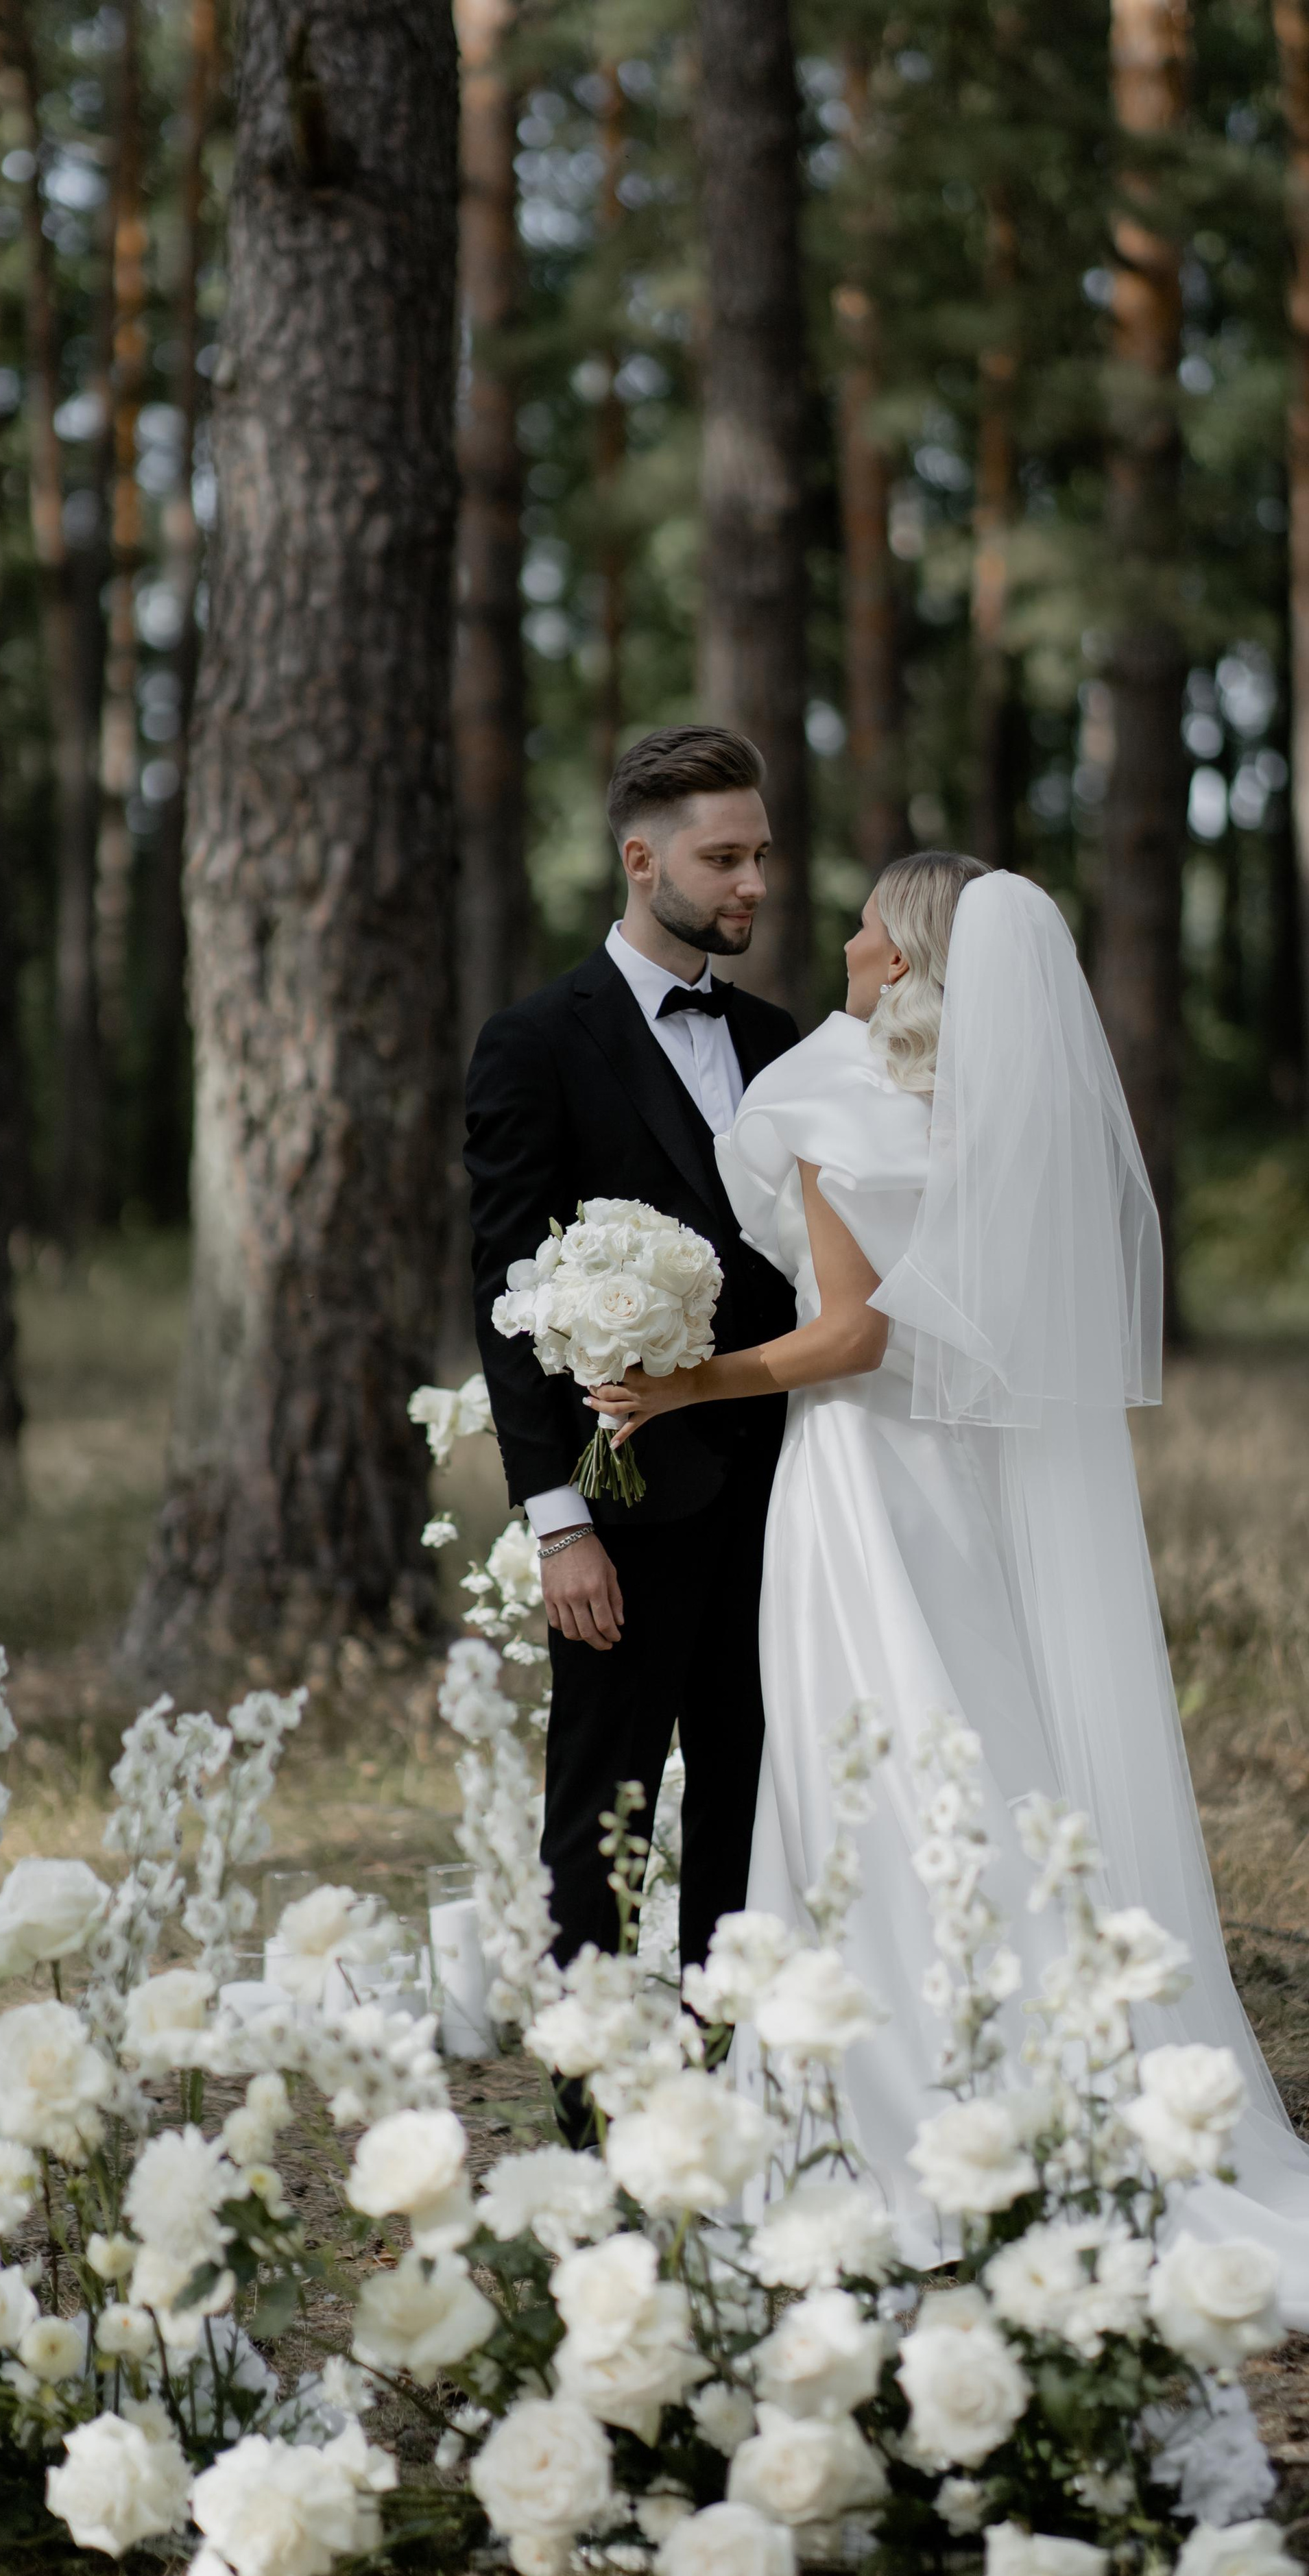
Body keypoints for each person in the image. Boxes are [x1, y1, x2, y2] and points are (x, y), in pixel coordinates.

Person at [590, 858, 1309, 2335]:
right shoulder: (998, 1111)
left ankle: (889, 2117)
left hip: (864, 1490)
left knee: (869, 1768)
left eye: (873, 918)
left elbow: (851, 1337)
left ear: (910, 955)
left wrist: (686, 1384)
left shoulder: (824, 1095)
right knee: (983, 1759)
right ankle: (1012, 2092)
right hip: (966, 1498)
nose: (850, 936)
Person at [464, 724, 798, 1994]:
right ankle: (593, 2119)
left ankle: (735, 2073)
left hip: (786, 1486)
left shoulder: (779, 1042)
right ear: (639, 856)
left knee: (753, 1792)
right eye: (723, 859)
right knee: (602, 1810)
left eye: (761, 856)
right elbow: (502, 1290)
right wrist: (559, 1525)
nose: (751, 885)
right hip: (625, 1497)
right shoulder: (536, 1042)